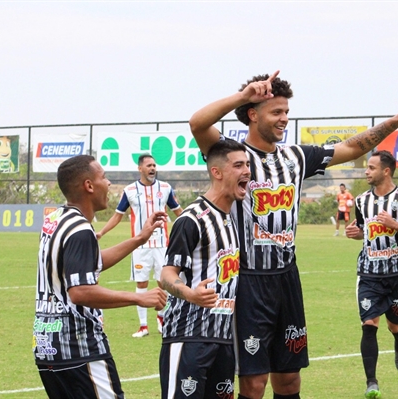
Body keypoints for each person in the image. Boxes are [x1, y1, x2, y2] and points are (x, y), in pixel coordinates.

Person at [189, 70, 398, 399]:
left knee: (289, 381)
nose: (284, 118)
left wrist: (397, 120)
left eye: (287, 111)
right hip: (248, 282)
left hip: (288, 279)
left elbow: (353, 148)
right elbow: (197, 124)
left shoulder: (296, 158)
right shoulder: (233, 157)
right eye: (276, 112)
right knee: (254, 383)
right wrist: (243, 95)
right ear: (253, 114)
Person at [33, 154, 167, 399]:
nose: (109, 183)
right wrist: (138, 298)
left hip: (48, 345)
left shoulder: (55, 220)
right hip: (80, 347)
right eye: (104, 177)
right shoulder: (81, 230)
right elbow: (80, 291)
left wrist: (139, 239)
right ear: (89, 186)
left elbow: (86, 265)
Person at [159, 139, 250, 399]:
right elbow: (166, 275)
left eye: (247, 165)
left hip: (222, 338)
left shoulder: (230, 218)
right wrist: (190, 294)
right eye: (238, 165)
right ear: (217, 172)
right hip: (189, 336)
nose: (247, 171)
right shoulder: (191, 220)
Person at [345, 150, 398, 399]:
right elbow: (364, 230)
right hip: (369, 273)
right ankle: (372, 382)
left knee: (394, 325)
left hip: (397, 274)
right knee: (369, 325)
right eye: (367, 167)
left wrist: (395, 225)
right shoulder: (361, 201)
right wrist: (356, 233)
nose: (366, 172)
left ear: (386, 171)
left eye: (371, 168)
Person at [97, 153, 183, 337]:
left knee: (164, 282)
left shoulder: (166, 188)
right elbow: (117, 215)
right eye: (149, 165)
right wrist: (102, 232)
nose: (153, 168)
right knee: (141, 282)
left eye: (154, 165)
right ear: (140, 168)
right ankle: (143, 326)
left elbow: (178, 212)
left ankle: (161, 318)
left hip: (162, 244)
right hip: (140, 246)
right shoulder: (129, 191)